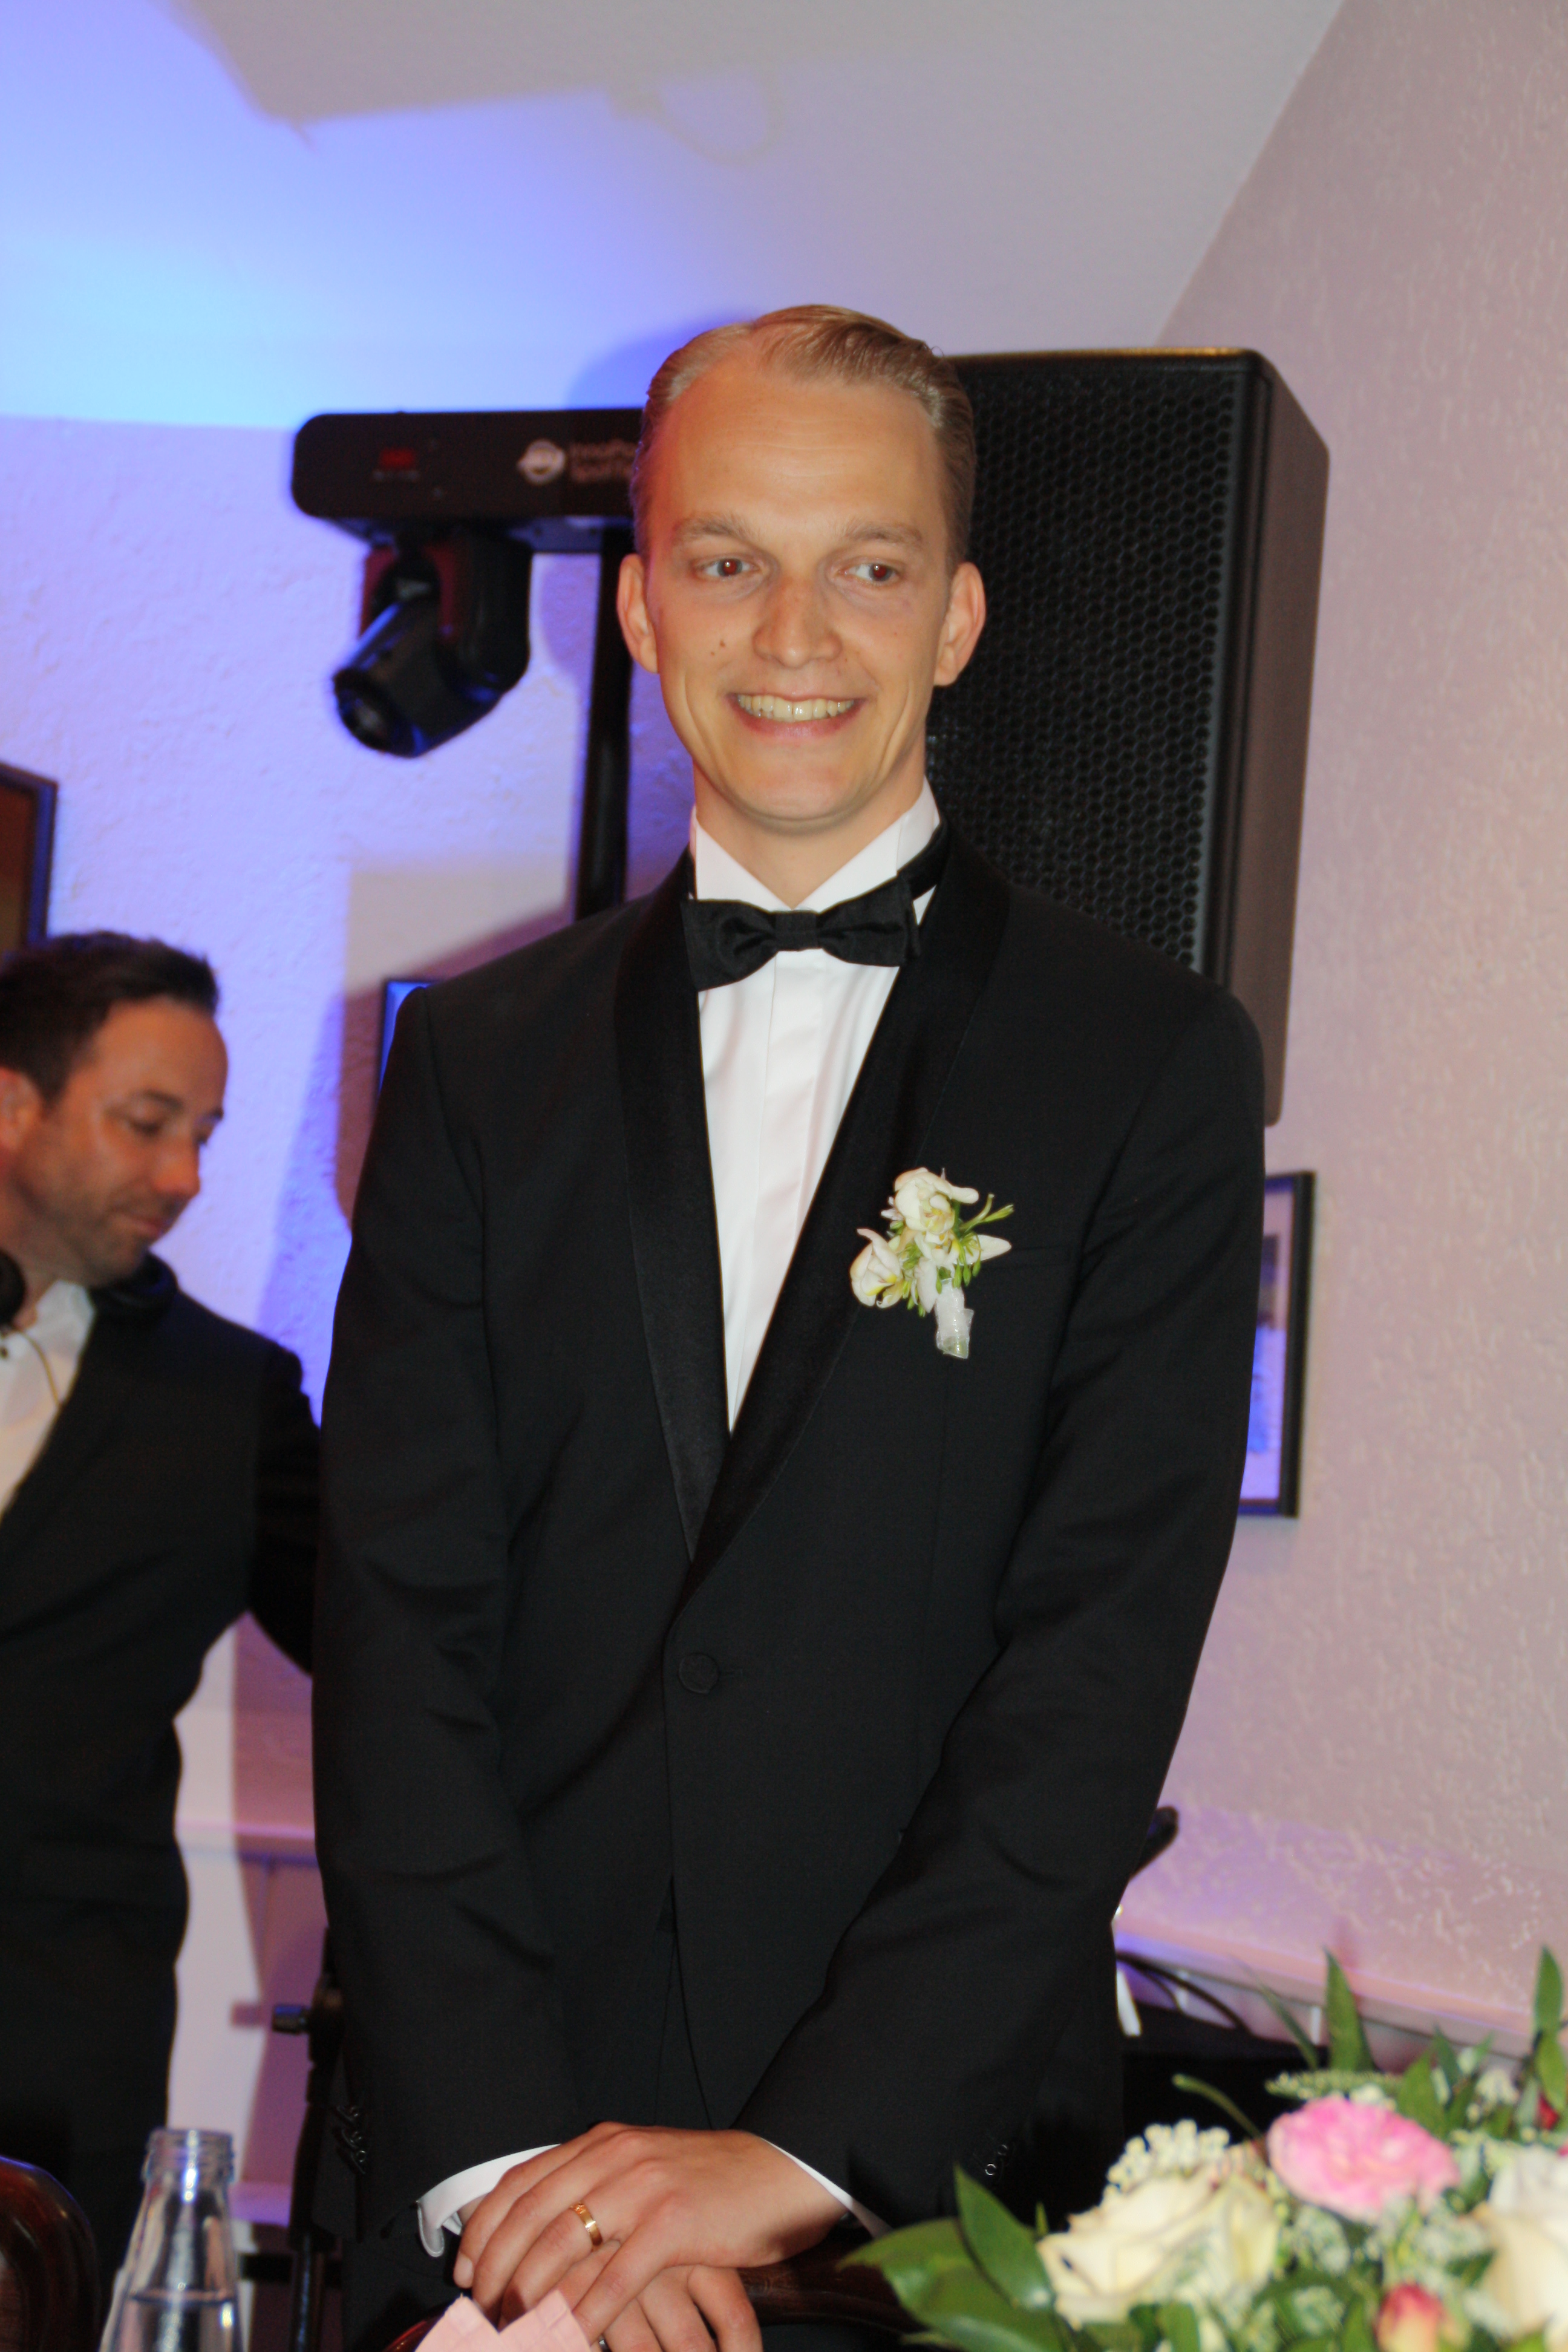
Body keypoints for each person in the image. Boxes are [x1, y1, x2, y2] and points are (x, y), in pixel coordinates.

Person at [315, 305, 1264, 2352]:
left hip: (931, 2207)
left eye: (872, 564)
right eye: (730, 558)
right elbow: (399, 1633)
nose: (795, 633)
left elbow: (1093, 1667)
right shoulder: (469, 1062)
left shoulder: (1153, 1064)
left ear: (960, 617)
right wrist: (525, 2179)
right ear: (640, 605)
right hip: (494, 2195)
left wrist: (802, 2151)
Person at [0, 933, 318, 2279]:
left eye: (204, 1135)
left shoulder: (232, 1401)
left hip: (48, 2055)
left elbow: (402, 1648)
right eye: (147, 1124)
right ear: (12, 1103)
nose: (184, 1177)